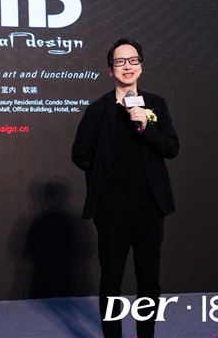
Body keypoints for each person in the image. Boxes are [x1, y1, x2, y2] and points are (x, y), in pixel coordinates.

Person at [71, 38, 179, 338]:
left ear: (141, 66)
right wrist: (105, 178)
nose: (127, 66)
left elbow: (171, 148)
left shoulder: (156, 104)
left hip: (150, 206)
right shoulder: (98, 110)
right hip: (112, 209)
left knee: (149, 281)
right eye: (120, 62)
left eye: (133, 60)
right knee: (111, 282)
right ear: (110, 70)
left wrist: (146, 125)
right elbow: (79, 154)